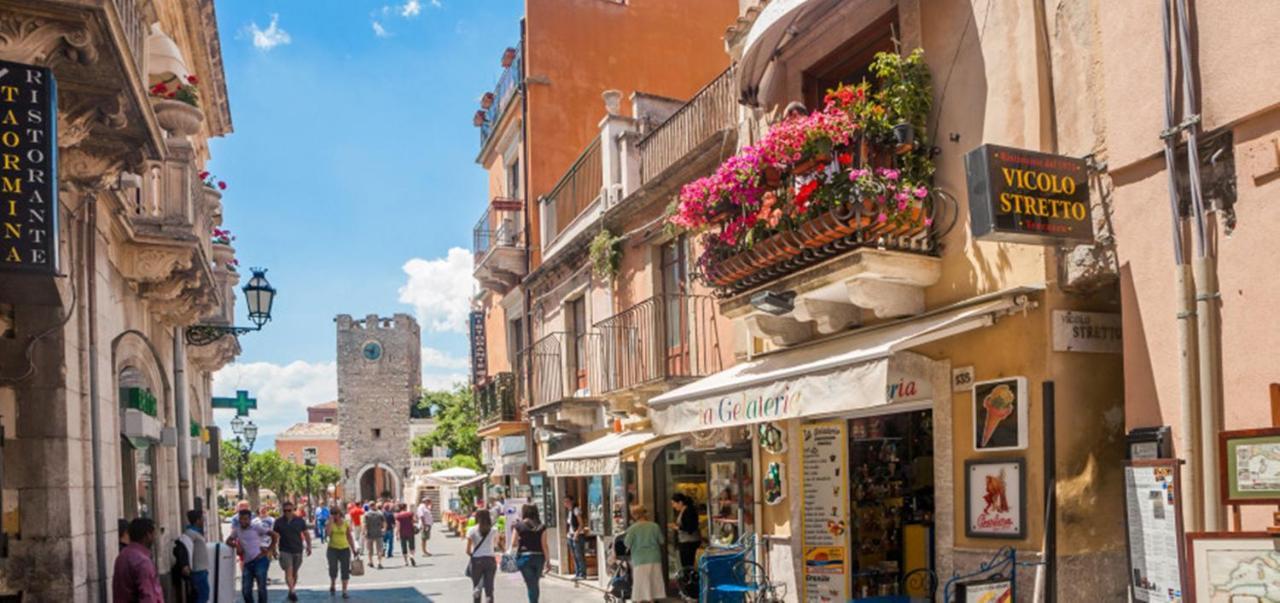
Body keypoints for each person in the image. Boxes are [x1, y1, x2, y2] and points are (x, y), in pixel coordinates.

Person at [227, 508, 272, 603]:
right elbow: (228, 540)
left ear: (250, 519)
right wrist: (237, 546)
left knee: (261, 588)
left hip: (260, 560)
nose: (243, 521)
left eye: (245, 519)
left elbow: (275, 535)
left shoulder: (256, 527)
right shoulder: (237, 529)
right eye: (241, 519)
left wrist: (269, 549)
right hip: (247, 562)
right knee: (246, 590)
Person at [113, 517, 163, 602]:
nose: (155, 537)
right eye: (154, 533)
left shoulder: (122, 556)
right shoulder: (143, 562)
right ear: (148, 535)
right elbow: (148, 596)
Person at [624, 505, 666, 603]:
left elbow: (627, 543)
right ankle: (652, 600)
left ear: (634, 515)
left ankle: (640, 601)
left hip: (640, 558)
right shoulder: (654, 526)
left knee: (640, 582)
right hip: (655, 557)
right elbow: (662, 541)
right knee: (654, 580)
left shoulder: (632, 528)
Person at [273, 500, 312, 602]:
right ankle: (292, 590)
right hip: (285, 550)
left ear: (293, 510)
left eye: (289, 510)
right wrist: (273, 549)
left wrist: (309, 546)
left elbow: (306, 534)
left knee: (294, 572)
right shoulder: (278, 522)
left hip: (298, 549)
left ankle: (291, 590)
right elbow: (275, 537)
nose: (287, 512)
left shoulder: (300, 521)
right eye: (285, 510)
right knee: (288, 571)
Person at [511, 503, 548, 603]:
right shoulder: (541, 526)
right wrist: (548, 561)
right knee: (534, 583)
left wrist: (521, 539)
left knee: (531, 584)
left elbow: (513, 544)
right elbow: (544, 545)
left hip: (524, 558)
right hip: (539, 558)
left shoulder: (518, 526)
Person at [465, 509, 502, 603]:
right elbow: (497, 545)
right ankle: (489, 599)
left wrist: (473, 555)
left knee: (477, 587)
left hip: (476, 560)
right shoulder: (494, 530)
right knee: (489, 588)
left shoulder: (471, 530)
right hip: (490, 560)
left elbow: (467, 550)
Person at [669, 493, 701, 597]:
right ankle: (689, 589)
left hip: (689, 543)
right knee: (686, 566)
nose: (673, 506)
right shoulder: (684, 511)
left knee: (688, 566)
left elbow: (690, 528)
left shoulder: (689, 511)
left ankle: (691, 590)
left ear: (680, 502)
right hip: (686, 542)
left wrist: (676, 527)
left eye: (674, 503)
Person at [325, 505, 355, 599]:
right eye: (332, 513)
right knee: (333, 568)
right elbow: (328, 534)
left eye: (336, 513)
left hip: (344, 549)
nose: (334, 515)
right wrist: (330, 522)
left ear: (339, 514)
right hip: (332, 549)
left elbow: (349, 536)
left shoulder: (345, 523)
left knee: (345, 569)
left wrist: (353, 549)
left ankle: (344, 591)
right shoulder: (330, 523)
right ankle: (333, 583)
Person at [183, 510, 211, 603]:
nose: (203, 521)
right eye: (202, 519)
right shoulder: (190, 533)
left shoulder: (196, 532)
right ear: (197, 520)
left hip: (202, 570)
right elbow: (183, 548)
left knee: (204, 596)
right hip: (197, 571)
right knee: (202, 596)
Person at [563, 495, 587, 580]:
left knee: (579, 555)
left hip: (578, 536)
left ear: (572, 501)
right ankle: (577, 573)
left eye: (568, 501)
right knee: (574, 556)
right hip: (571, 536)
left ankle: (582, 574)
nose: (566, 503)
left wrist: (576, 534)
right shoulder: (569, 512)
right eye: (565, 502)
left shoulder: (576, 510)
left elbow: (581, 524)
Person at [363, 500, 386, 569]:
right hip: (378, 533)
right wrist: (384, 529)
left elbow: (364, 524)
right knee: (379, 549)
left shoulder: (366, 514)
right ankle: (379, 562)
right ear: (375, 505)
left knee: (370, 549)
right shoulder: (380, 513)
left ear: (369, 506)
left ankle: (371, 562)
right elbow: (384, 522)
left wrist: (364, 532)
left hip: (369, 534)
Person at [394, 502, 418, 566]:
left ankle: (406, 562)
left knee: (403, 547)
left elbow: (398, 525)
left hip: (402, 533)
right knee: (411, 546)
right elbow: (414, 520)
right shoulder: (410, 513)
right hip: (410, 532)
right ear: (405, 507)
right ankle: (411, 556)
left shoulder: (398, 516)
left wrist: (396, 534)